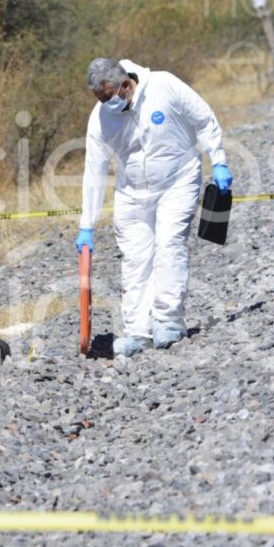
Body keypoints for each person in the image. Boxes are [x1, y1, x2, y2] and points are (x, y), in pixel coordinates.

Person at [76, 58, 232, 356]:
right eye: (99, 98)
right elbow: (94, 171)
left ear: (125, 85)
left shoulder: (163, 85)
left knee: (169, 245)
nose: (104, 103)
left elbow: (203, 119)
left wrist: (219, 160)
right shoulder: (100, 119)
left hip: (178, 181)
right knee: (135, 259)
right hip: (132, 193)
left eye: (108, 96)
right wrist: (87, 224)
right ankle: (137, 331)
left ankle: (168, 321)